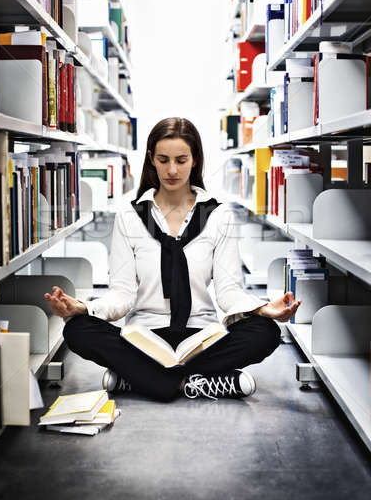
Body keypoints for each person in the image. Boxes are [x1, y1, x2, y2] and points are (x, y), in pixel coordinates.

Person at [44, 118, 301, 402]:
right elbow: (122, 294)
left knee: (265, 333)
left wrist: (262, 309)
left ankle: (141, 380)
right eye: (163, 160)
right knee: (78, 330)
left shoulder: (218, 216)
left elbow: (228, 291)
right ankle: (192, 383)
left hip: (202, 336)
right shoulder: (129, 216)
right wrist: (82, 308)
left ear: (195, 160)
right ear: (151, 160)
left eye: (181, 159)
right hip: (144, 337)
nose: (172, 170)